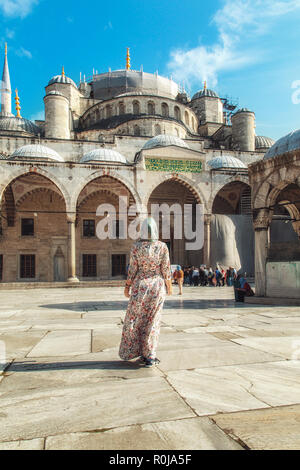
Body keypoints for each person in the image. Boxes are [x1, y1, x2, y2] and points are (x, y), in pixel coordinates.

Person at [119, 217, 172, 368]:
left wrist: (127, 286)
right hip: (157, 285)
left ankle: (135, 351)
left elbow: (133, 269)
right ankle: (150, 355)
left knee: (136, 319)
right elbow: (166, 269)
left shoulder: (136, 247)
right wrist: (169, 286)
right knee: (153, 320)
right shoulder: (162, 247)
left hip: (139, 286)